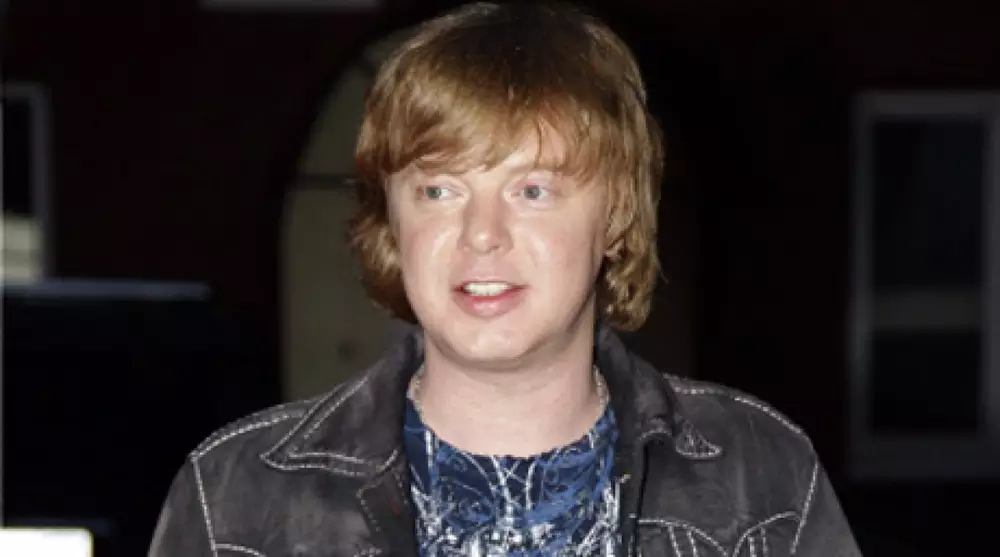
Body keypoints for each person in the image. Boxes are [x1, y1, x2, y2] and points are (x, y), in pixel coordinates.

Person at [149, 2, 861, 556]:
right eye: (439, 190)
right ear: (391, 218)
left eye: (533, 190)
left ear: (616, 215)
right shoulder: (236, 498)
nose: (482, 233)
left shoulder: (758, 476)